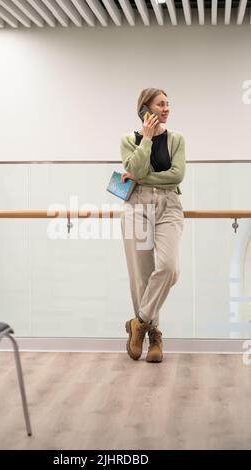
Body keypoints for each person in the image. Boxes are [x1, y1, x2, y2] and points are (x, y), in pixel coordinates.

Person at [120, 88, 186, 363]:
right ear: (145, 109)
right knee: (142, 276)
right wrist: (145, 140)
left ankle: (140, 322)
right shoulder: (129, 140)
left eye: (168, 104)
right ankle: (154, 337)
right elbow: (133, 171)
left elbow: (177, 176)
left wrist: (142, 177)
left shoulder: (177, 139)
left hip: (168, 207)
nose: (167, 108)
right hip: (137, 208)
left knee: (169, 268)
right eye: (161, 104)